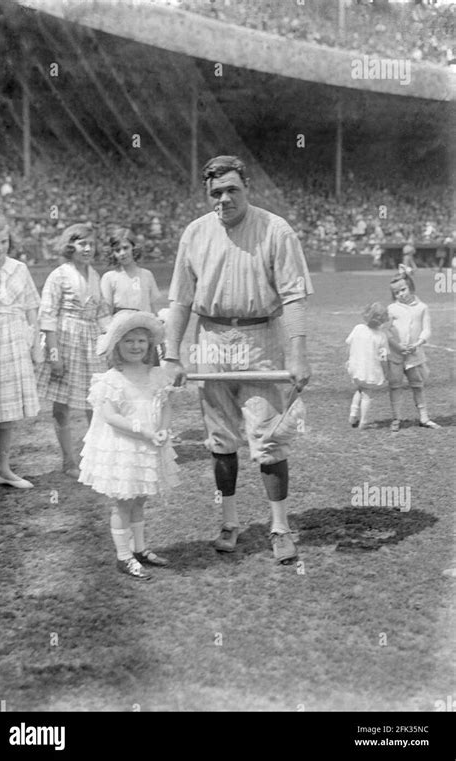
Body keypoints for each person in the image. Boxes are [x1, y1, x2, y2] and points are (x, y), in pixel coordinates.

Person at [164, 154, 313, 565]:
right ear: (207, 194)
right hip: (210, 338)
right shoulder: (195, 233)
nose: (224, 199)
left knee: (268, 438)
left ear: (247, 188)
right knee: (220, 439)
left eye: (232, 190)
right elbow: (180, 300)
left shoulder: (275, 229)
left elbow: (295, 296)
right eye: (216, 192)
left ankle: (280, 527)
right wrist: (172, 355)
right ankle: (229, 522)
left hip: (260, 337)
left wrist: (298, 355)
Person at [79, 310, 180, 580]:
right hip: (124, 447)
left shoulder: (157, 375)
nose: (136, 347)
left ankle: (140, 547)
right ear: (116, 346)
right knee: (123, 501)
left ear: (149, 345)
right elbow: (111, 418)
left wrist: (162, 430)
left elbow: (166, 404)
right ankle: (123, 556)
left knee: (140, 499)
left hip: (149, 444)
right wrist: (144, 431)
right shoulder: (111, 379)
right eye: (128, 341)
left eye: (141, 341)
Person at [36, 223, 111, 478]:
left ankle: (93, 456)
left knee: (95, 401)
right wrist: (54, 355)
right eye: (82, 244)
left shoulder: (95, 275)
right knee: (62, 405)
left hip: (90, 343)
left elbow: (102, 314)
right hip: (65, 342)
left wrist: (109, 341)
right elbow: (47, 316)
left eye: (91, 244)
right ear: (71, 246)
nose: (88, 248)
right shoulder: (58, 275)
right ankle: (68, 460)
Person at [0, 213, 42, 500]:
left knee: (9, 415)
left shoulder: (19, 268)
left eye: (4, 241)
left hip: (16, 341)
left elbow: (32, 307)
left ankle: (4, 469)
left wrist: (35, 344)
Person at [386, 272, 440, 432]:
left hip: (414, 355)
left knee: (418, 385)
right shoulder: (392, 308)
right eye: (396, 292)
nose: (400, 294)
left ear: (410, 287)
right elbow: (386, 331)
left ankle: (424, 417)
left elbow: (426, 330)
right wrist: (397, 346)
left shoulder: (422, 307)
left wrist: (418, 343)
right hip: (395, 355)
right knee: (395, 386)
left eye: (403, 290)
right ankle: (396, 418)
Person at [346, 302, 389, 430]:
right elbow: (383, 358)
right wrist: (386, 372)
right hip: (369, 371)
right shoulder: (381, 336)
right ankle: (363, 421)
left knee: (360, 389)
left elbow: (348, 346)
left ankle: (353, 415)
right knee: (367, 394)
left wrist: (348, 360)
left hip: (355, 368)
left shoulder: (358, 328)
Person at [100, 227, 161, 315]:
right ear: (113, 253)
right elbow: (107, 311)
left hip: (144, 324)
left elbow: (152, 307)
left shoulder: (147, 275)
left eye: (125, 248)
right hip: (121, 325)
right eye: (117, 250)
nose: (122, 253)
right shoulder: (109, 278)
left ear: (134, 248)